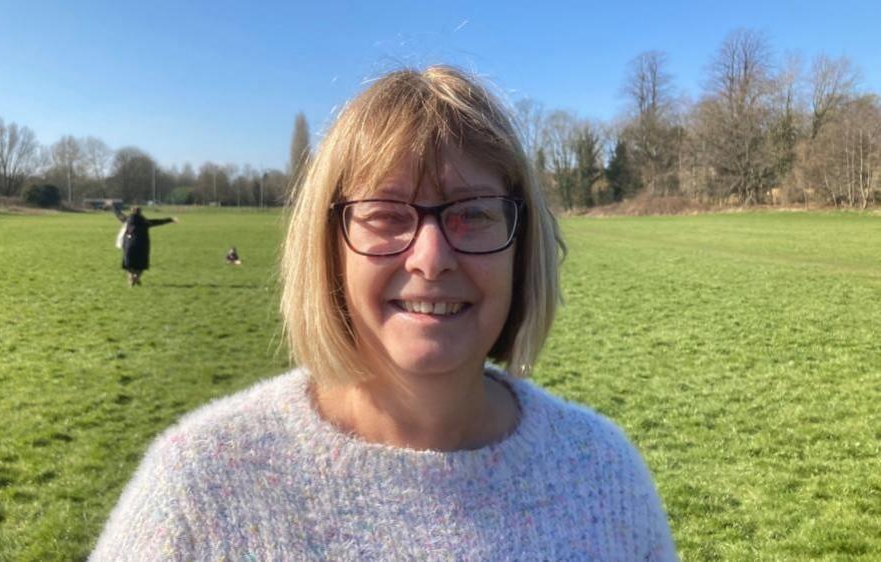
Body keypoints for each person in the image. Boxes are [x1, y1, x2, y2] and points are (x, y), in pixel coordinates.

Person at [91, 66, 677, 560]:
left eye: (472, 213)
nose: (431, 257)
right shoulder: (198, 489)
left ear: (523, 248)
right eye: (385, 213)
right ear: (329, 246)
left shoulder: (604, 478)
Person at [115, 206, 177, 287]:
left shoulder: (127, 220)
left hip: (129, 245)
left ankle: (131, 277)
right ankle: (136, 277)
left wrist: (113, 206)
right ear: (140, 212)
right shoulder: (145, 222)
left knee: (129, 265)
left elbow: (119, 214)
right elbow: (158, 221)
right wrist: (170, 219)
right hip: (142, 246)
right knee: (141, 265)